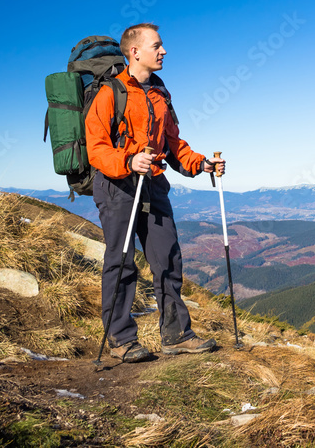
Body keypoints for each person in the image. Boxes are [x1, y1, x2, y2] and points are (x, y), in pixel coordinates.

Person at [85, 22, 223, 363]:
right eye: (157, 46)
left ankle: (176, 334)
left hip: (154, 184)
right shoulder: (110, 94)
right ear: (134, 52)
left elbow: (174, 145)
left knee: (167, 258)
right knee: (121, 261)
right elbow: (96, 149)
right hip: (118, 186)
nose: (163, 51)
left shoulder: (160, 94)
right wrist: (129, 160)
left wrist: (201, 164)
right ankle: (120, 338)